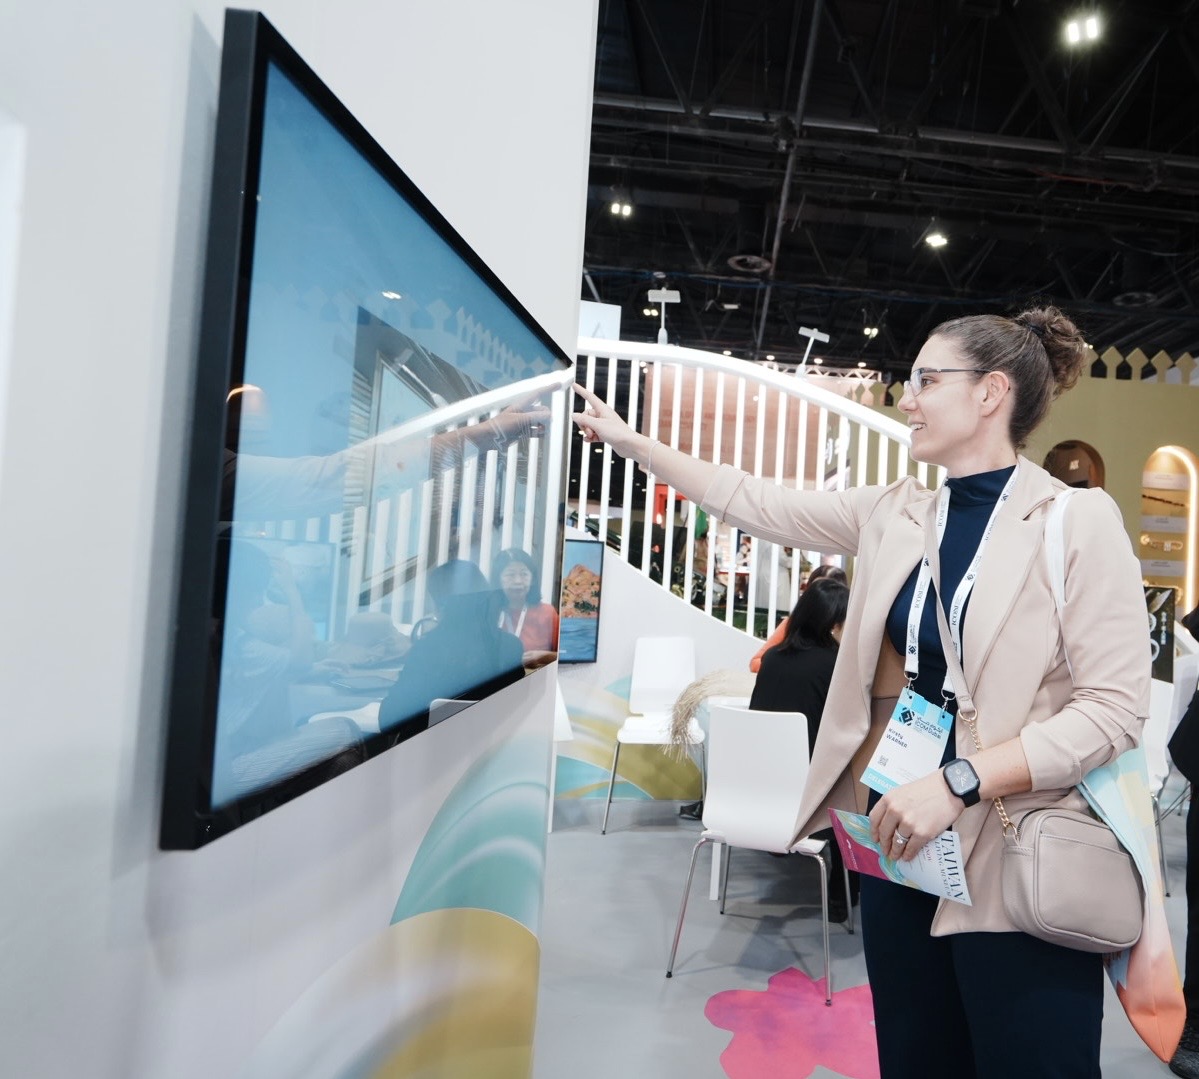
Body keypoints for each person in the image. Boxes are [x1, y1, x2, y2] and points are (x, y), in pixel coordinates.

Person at [574, 305, 1149, 1078]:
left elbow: (1113, 709)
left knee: (1028, 1057)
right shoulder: (895, 512)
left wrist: (959, 780)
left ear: (990, 392)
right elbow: (751, 498)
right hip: (900, 839)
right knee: (914, 1054)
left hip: (1014, 840)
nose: (905, 399)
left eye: (925, 380)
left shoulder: (1074, 520)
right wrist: (630, 441)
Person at [749, 578, 855, 921]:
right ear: (833, 623)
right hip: (813, 792)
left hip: (761, 788)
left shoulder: (772, 659)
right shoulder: (836, 665)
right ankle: (842, 896)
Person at [379, 559, 524, 741]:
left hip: (431, 750)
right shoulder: (510, 646)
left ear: (440, 605)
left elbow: (388, 720)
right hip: (493, 746)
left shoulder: (429, 650)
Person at [749, 564, 848, 673]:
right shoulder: (793, 623)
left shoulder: (847, 629)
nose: (815, 595)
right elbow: (756, 663)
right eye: (812, 588)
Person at [491, 548, 560, 655]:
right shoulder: (488, 612)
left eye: (524, 574)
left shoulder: (547, 613)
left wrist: (544, 657)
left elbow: (563, 655)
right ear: (498, 579)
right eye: (510, 575)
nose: (518, 581)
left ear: (532, 579)